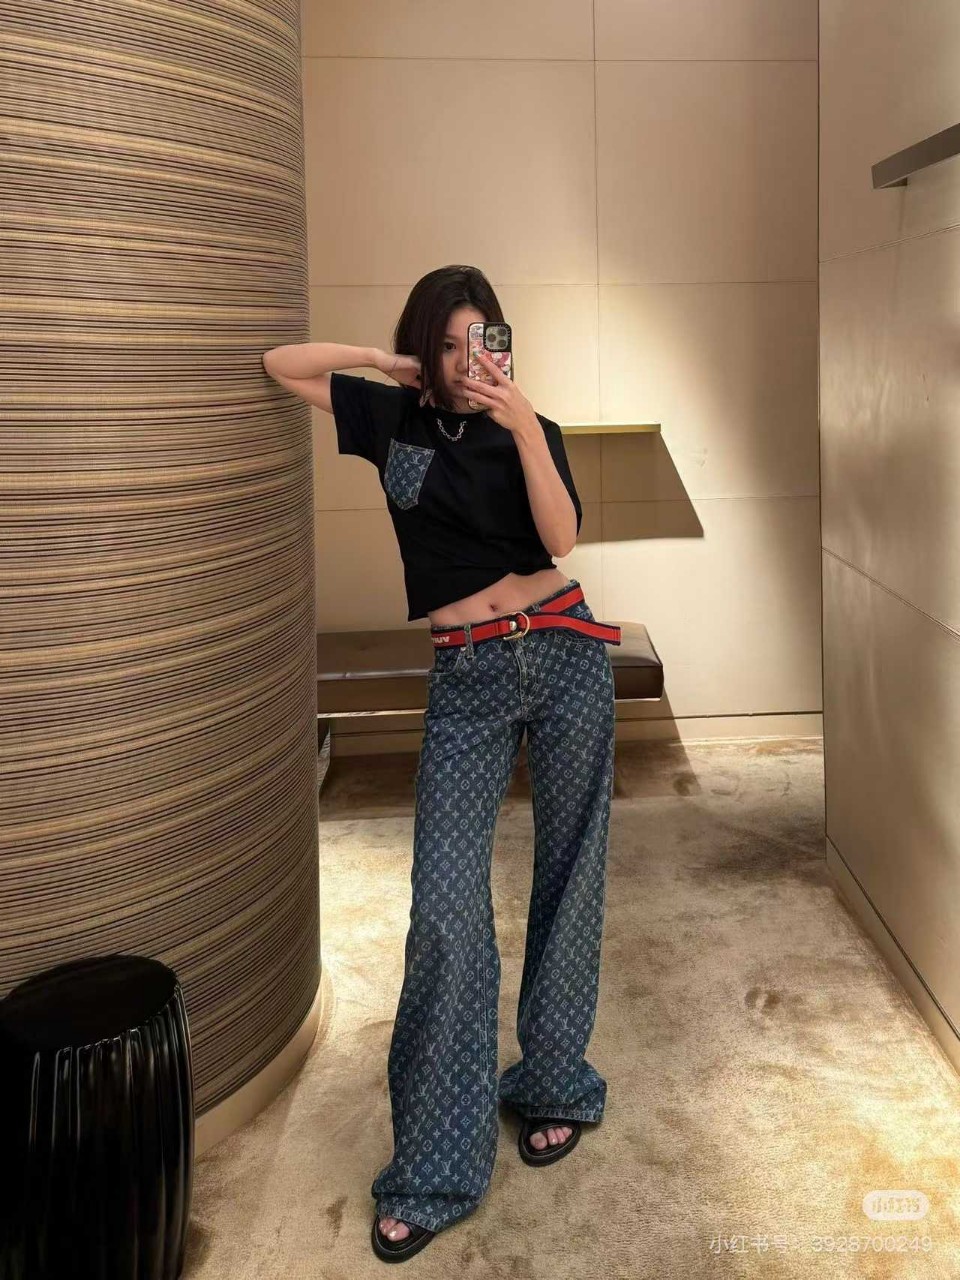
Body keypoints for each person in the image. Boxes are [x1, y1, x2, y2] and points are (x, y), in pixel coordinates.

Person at [263, 265, 619, 1263]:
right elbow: (281, 364)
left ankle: (553, 1082)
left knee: (571, 873)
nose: (471, 361)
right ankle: (434, 1160)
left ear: (506, 343)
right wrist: (384, 362)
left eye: (484, 340)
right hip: (466, 675)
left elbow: (562, 535)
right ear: (428, 344)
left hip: (564, 651)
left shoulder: (532, 427)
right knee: (447, 909)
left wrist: (524, 421)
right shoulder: (393, 420)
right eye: (452, 342)